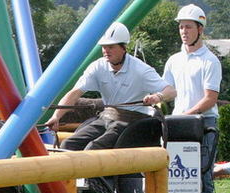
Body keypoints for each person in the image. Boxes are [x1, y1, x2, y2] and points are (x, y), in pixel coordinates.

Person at [45, 22, 176, 151]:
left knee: (93, 150)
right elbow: (74, 93)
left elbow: (171, 91)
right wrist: (56, 116)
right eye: (104, 47)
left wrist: (158, 96)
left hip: (131, 122)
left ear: (124, 48)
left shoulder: (141, 70)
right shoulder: (97, 67)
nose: (106, 51)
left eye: (111, 47)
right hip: (105, 118)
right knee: (68, 145)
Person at [163, 4, 222, 193]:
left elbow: (210, 99)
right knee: (176, 180)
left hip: (204, 124)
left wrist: (186, 115)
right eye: (181, 27)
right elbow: (168, 91)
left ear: (200, 29)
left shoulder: (210, 61)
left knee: (202, 178)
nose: (184, 32)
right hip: (178, 125)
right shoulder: (173, 60)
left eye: (188, 27)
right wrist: (154, 97)